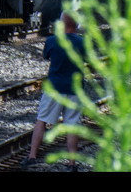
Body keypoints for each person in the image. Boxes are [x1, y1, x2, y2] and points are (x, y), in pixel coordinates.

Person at [22, 13, 85, 170]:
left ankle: (32, 156)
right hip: (75, 90)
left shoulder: (52, 41)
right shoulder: (82, 43)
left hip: (54, 88)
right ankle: (71, 163)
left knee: (42, 120)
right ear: (76, 25)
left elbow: (46, 56)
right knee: (72, 125)